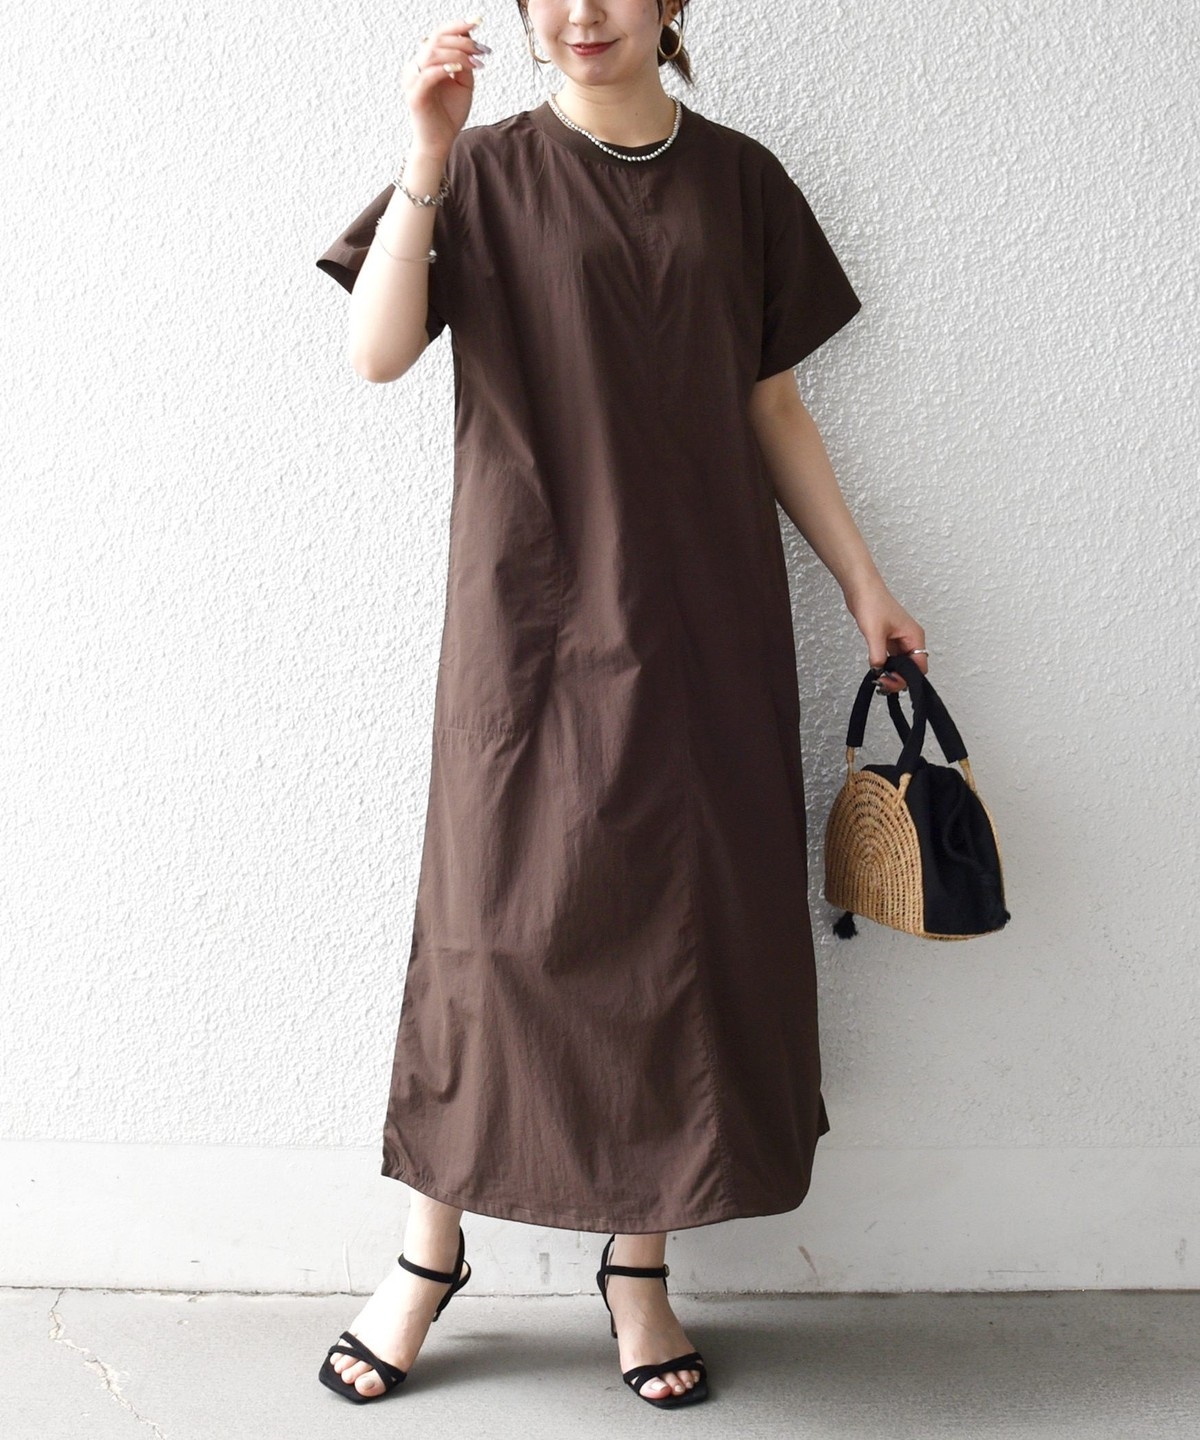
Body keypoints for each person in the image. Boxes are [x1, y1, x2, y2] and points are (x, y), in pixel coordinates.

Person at [314, 0, 928, 1411]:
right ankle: (424, 1258)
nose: (582, 10)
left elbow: (772, 403)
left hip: (706, 618)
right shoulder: (480, 167)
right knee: (491, 931)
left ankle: (638, 1271)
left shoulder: (743, 180)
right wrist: (426, 152)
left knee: (680, 937)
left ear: (672, 4)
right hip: (526, 617)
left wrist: (865, 585)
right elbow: (376, 351)